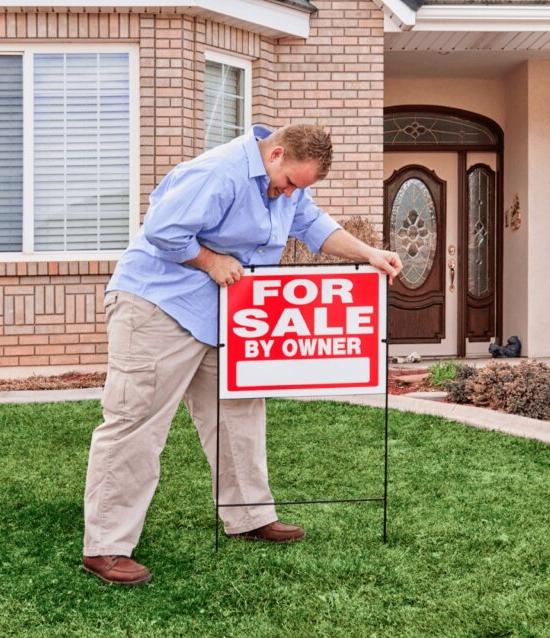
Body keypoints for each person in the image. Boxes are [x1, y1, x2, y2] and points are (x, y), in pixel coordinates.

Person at [82, 123, 402, 585]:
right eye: (290, 183)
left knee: (239, 410)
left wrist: (369, 253)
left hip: (219, 312)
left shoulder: (288, 186)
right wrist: (211, 261)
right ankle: (106, 547)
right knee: (136, 420)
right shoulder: (220, 172)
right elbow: (162, 230)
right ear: (275, 156)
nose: (290, 193)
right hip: (157, 305)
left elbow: (312, 225)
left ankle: (248, 516)